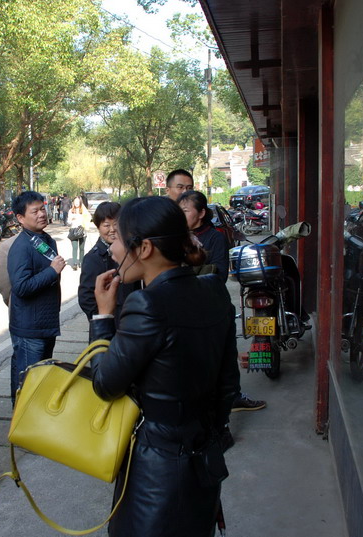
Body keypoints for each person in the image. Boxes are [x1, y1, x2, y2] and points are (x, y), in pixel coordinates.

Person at [90, 196, 240, 537]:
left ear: (144, 248)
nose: (112, 249)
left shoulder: (146, 304)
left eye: (118, 239)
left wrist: (103, 318)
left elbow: (105, 384)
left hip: (158, 471)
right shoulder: (214, 290)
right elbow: (228, 385)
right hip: (203, 460)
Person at [179, 191, 266, 416]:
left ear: (201, 213)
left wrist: (187, 274)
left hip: (213, 307)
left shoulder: (215, 237)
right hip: (186, 309)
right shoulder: (176, 238)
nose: (180, 215)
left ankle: (232, 397)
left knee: (225, 357)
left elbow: (218, 275)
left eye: (185, 210)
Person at [7, 191, 66, 400]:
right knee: (28, 384)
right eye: (35, 211)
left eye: (43, 208)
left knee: (41, 380)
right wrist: (52, 271)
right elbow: (21, 287)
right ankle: (20, 417)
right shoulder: (22, 246)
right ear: (20, 218)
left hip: (46, 324)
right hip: (30, 329)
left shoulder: (45, 239)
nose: (42, 214)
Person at [78, 201, 140, 338]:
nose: (112, 229)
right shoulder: (93, 258)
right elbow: (86, 297)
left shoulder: (131, 252)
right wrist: (104, 318)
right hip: (108, 328)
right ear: (98, 227)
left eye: (116, 224)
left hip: (132, 324)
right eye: (106, 225)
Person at [67, 196, 91, 270]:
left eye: (78, 201)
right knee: (74, 247)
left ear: (80, 202)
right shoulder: (71, 211)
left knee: (82, 248)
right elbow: (68, 222)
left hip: (82, 231)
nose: (76, 203)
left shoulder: (84, 211)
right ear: (73, 202)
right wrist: (71, 219)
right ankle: (74, 263)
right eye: (75, 201)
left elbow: (89, 218)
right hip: (73, 231)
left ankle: (81, 262)